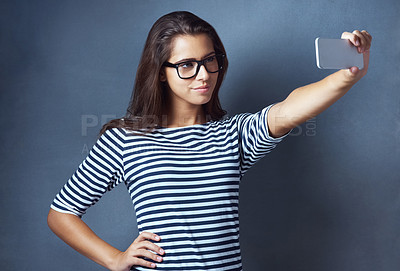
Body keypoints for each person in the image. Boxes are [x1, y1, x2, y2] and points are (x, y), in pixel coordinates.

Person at [47, 11, 372, 271]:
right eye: (187, 65)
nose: (204, 75)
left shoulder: (233, 134)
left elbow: (289, 108)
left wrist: (346, 75)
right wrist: (115, 259)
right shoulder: (124, 141)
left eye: (209, 60)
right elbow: (61, 213)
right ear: (161, 72)